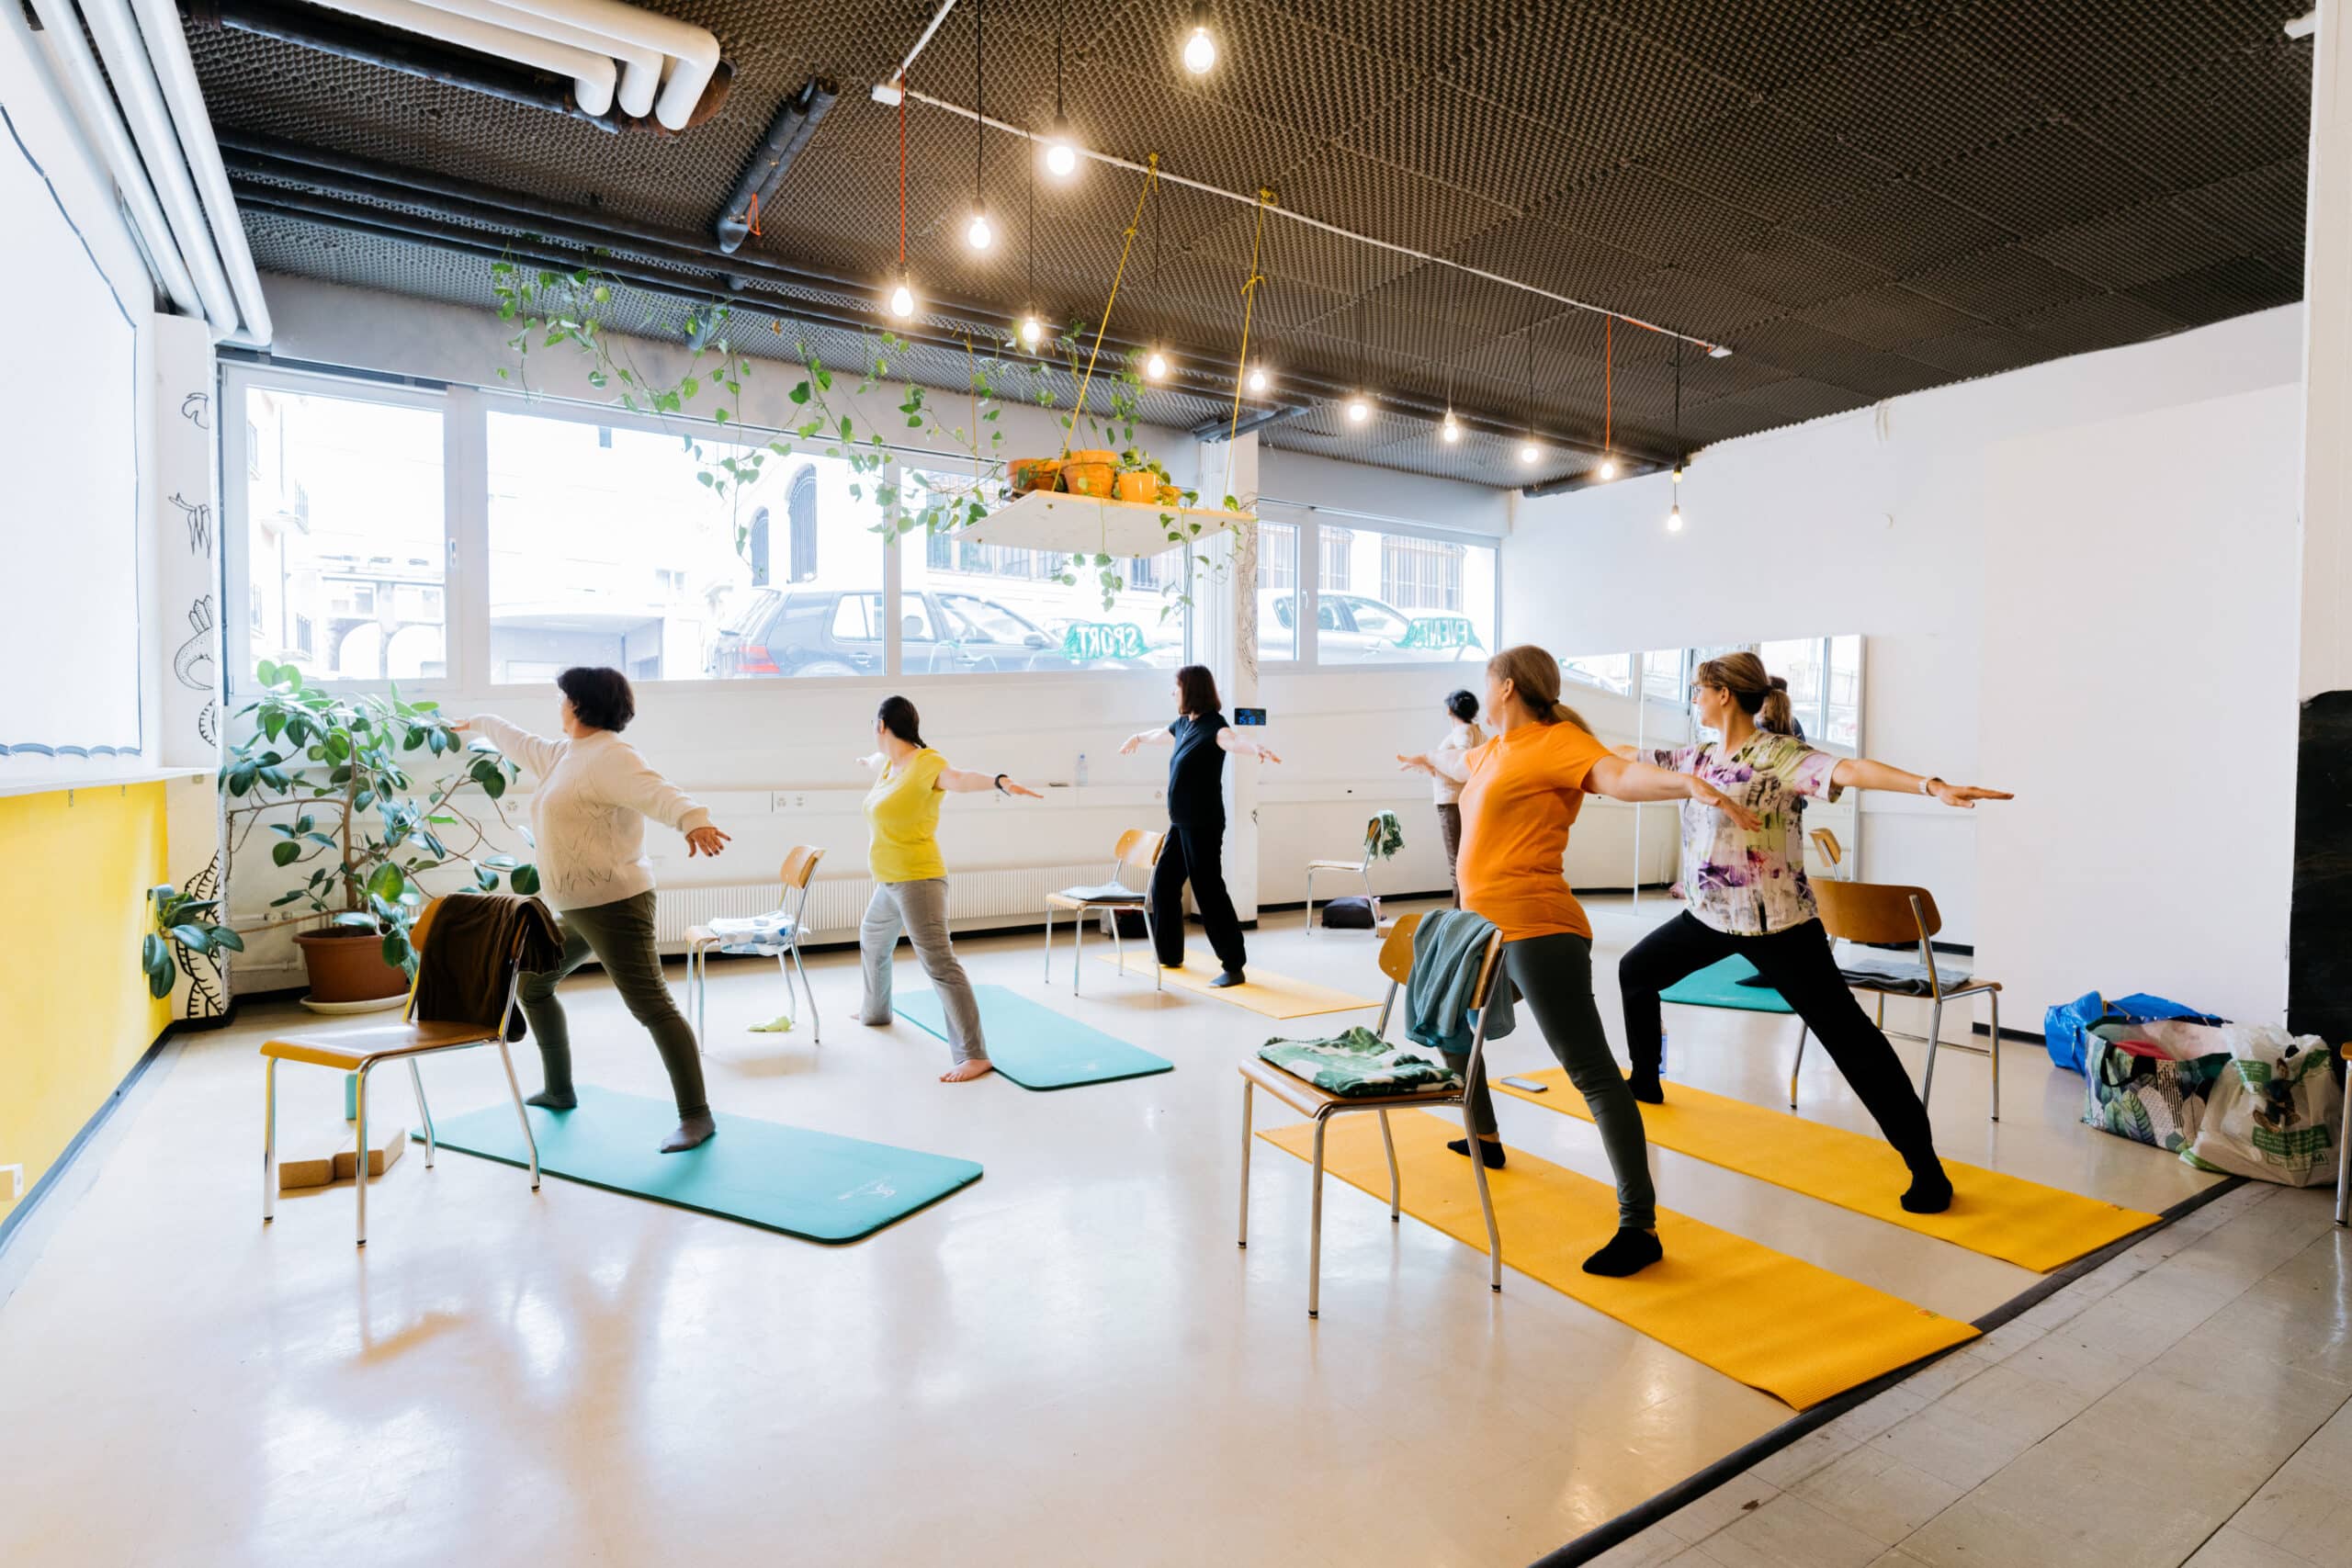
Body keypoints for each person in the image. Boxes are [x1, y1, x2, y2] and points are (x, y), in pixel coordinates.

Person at [1398, 645, 1759, 1277]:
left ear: (1506, 686)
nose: (1483, 692)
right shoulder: (1493, 750)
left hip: (1539, 929)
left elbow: (1617, 777)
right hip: (1482, 930)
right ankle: (1483, 1134)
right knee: (1449, 1025)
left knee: (1591, 1073)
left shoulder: (1556, 742)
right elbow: (1455, 762)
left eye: (1487, 682)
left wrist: (1686, 784)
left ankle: (1639, 1225)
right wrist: (1424, 756)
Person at [1616, 650, 2011, 1213]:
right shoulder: (1696, 757)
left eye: (1699, 689)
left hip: (1780, 925)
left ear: (1724, 694)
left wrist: (1931, 786)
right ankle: (1645, 1080)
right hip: (1707, 916)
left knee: (1852, 1042)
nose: (1694, 699)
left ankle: (1927, 1170)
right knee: (1636, 971)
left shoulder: (1779, 754)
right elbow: (1621, 757)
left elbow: (1852, 770)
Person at [456, 667, 730, 1153]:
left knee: (651, 1006)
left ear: (578, 704)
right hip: (576, 905)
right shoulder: (565, 754)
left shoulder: (611, 755)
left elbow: (658, 791)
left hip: (615, 905)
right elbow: (517, 741)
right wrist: (480, 719)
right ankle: (560, 1090)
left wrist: (694, 822)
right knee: (534, 986)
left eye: (562, 698)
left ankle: (696, 1117)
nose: (558, 706)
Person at [855, 695, 1042, 1082]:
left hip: (918, 880)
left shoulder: (926, 763)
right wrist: (867, 762)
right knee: (873, 938)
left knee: (940, 964)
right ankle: (876, 1010)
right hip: (889, 880)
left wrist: (998, 781)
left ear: (881, 726)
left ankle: (974, 1054)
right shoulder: (890, 766)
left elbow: (960, 778)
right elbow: (876, 761)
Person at [1118, 665, 1280, 987]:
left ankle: (1234, 964)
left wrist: (1255, 748)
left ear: (1190, 689)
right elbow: (1158, 735)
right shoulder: (1182, 726)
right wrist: (1137, 737)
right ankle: (1168, 953)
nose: (1172, 692)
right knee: (1163, 884)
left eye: (1175, 687)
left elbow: (1233, 741)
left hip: (1203, 824)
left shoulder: (1212, 726)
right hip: (1180, 823)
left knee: (1208, 892)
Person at [1430, 689, 1486, 905]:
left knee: (1458, 864)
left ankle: (1459, 917)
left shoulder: (1462, 731)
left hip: (1452, 802)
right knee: (1466, 862)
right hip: (1466, 801)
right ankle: (1467, 913)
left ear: (1449, 710)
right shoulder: (1477, 732)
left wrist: (1434, 761)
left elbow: (1462, 762)